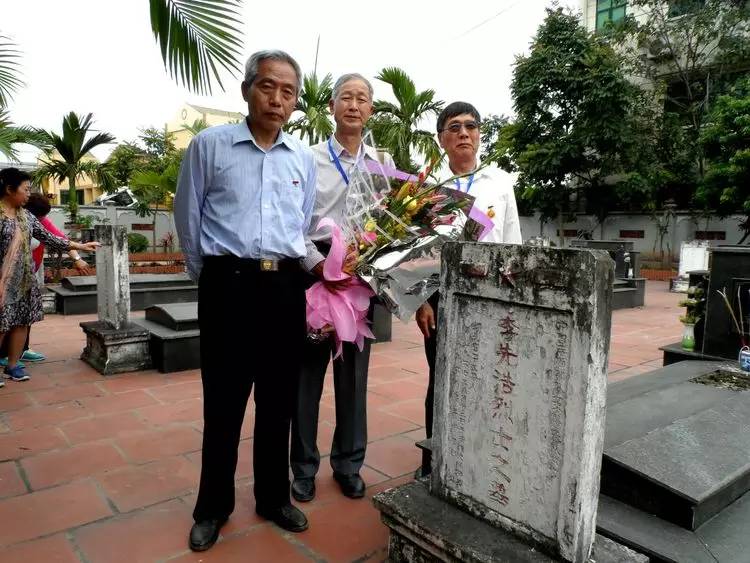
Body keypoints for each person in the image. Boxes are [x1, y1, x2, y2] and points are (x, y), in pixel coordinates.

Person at [174, 49, 317, 552]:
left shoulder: (301, 158)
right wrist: (213, 278)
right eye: (268, 86)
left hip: (283, 288)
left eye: (288, 91)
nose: (277, 99)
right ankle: (212, 507)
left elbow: (299, 229)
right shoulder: (209, 146)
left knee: (279, 402)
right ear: (247, 89)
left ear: (296, 101)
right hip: (228, 285)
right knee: (225, 401)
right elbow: (188, 219)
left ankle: (273, 497)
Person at [291, 73, 394, 503]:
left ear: (371, 109)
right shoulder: (305, 157)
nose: (353, 105)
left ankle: (349, 464)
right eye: (346, 98)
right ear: (331, 107)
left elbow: (388, 224)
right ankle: (303, 468)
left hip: (360, 280)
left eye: (362, 99)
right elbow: (292, 221)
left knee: (353, 378)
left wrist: (367, 266)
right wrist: (318, 268)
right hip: (313, 275)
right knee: (306, 378)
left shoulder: (381, 164)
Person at [415, 102, 523, 475]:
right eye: (455, 127)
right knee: (440, 377)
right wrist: (423, 302)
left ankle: (475, 457)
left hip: (490, 298)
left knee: (487, 378)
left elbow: (513, 245)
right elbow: (419, 254)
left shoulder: (500, 184)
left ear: (479, 134)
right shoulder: (428, 188)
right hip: (442, 299)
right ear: (442, 139)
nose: (464, 133)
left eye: (471, 126)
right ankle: (432, 460)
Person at [0, 168, 99, 385]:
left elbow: (51, 237)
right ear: (9, 189)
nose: (28, 194)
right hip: (2, 282)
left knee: (21, 321)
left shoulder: (26, 217)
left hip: (24, 279)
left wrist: (79, 246)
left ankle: (13, 365)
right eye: (25, 189)